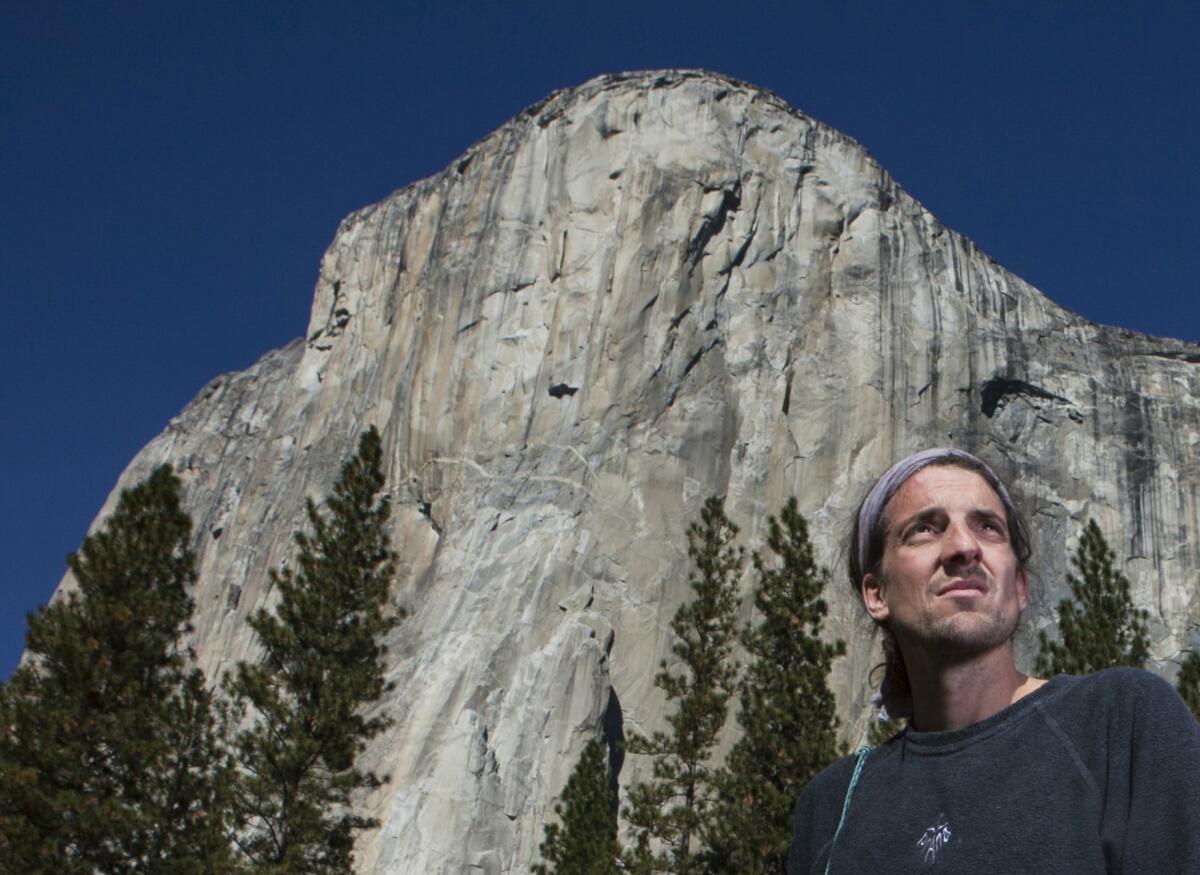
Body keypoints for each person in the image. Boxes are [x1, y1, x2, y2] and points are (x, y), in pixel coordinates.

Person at [787, 447, 1200, 874]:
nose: (964, 547)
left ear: (1019, 587)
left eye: (988, 528)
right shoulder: (832, 805)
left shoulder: (1119, 721)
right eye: (925, 529)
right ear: (877, 594)